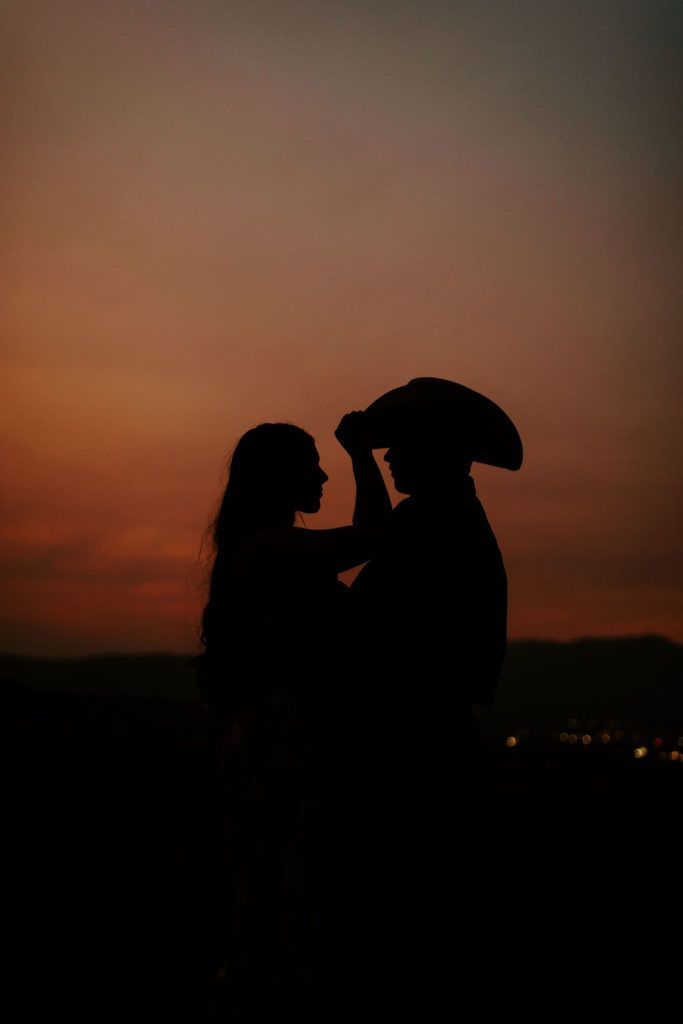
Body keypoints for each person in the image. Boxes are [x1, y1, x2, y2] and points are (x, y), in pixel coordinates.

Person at [195, 417, 390, 1022]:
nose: (323, 472)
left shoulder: (264, 551)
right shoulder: (274, 549)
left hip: (272, 742)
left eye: (325, 460)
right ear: (280, 477)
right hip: (280, 746)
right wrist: (362, 454)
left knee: (275, 901)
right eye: (312, 462)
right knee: (288, 904)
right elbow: (374, 536)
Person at [349, 377, 522, 1021]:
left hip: (413, 750)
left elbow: (370, 629)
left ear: (437, 447)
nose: (390, 457)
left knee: (413, 929)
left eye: (399, 445)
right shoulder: (450, 517)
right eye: (386, 449)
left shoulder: (433, 522)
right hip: (431, 744)